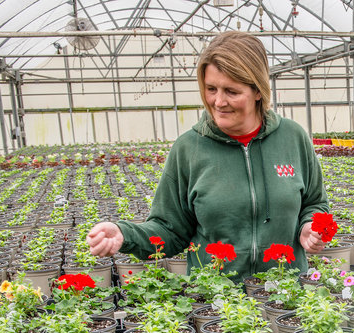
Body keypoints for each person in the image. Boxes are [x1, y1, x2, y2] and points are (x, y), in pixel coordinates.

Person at [85, 31, 328, 279]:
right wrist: (125, 234)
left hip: (285, 296)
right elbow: (169, 229)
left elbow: (315, 203)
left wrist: (309, 226)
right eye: (211, 89)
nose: (218, 101)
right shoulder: (189, 148)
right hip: (213, 300)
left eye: (231, 91)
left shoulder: (293, 137)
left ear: (258, 91)